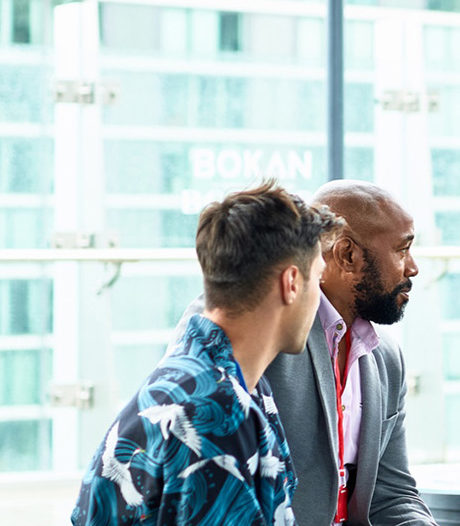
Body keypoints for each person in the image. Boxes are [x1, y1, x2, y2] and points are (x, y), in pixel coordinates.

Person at [73, 182, 345, 525]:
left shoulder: (196, 379)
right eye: (317, 279)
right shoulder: (218, 415)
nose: (320, 299)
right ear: (291, 283)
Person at [174, 179, 435, 526]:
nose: (413, 267)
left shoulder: (386, 357)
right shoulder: (251, 332)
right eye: (402, 250)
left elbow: (393, 494)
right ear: (347, 255)